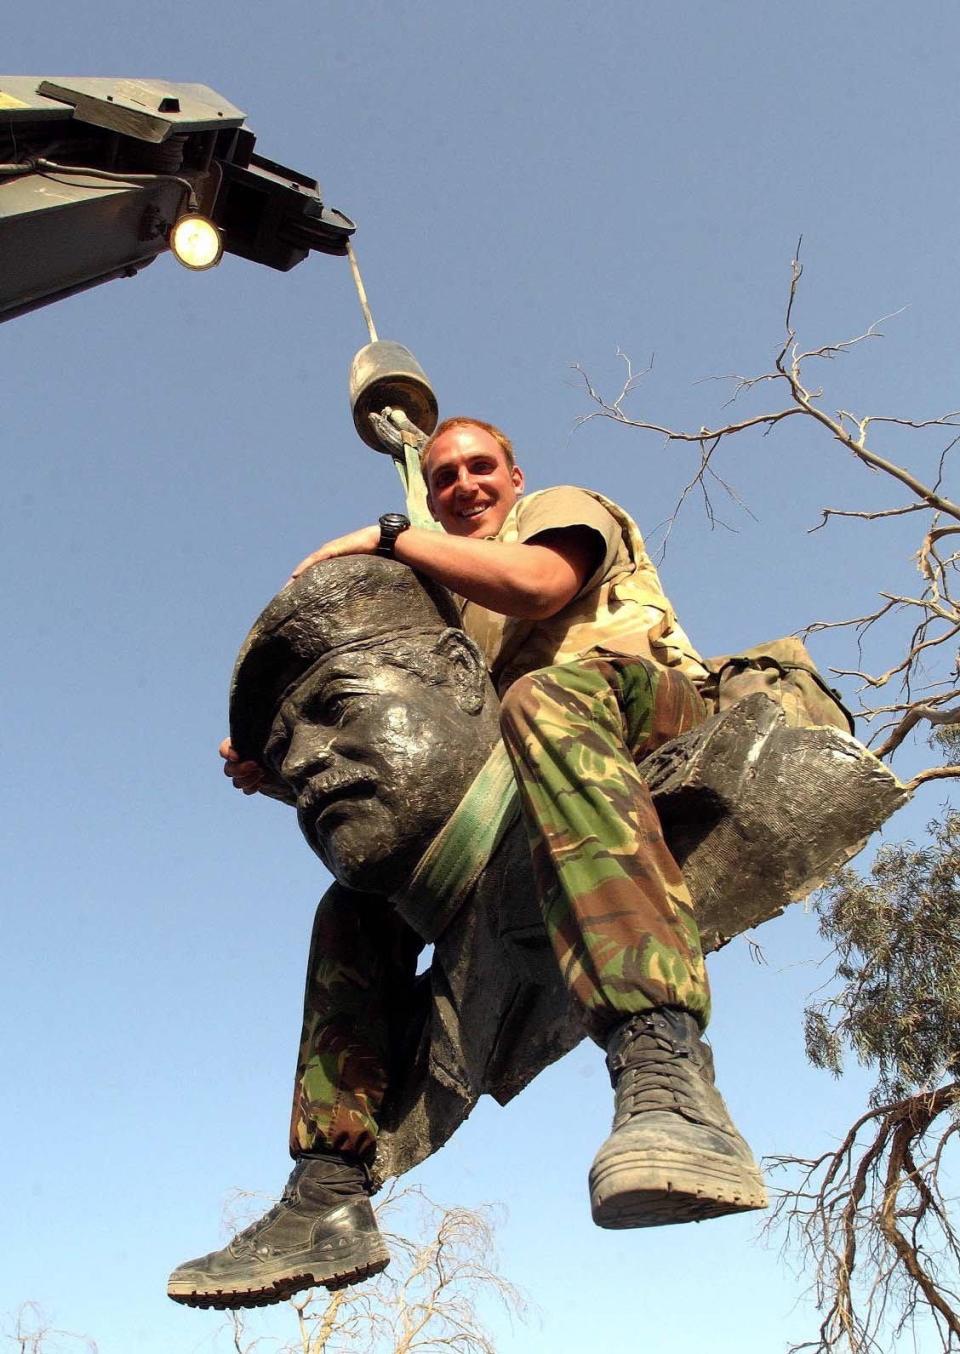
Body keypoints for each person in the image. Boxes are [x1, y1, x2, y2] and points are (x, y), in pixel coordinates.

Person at [184, 417, 764, 1305]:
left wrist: (386, 533)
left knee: (543, 697)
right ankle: (327, 1194)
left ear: (514, 471)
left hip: (648, 708)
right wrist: (285, 771)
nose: (461, 485)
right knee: (352, 906)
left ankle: (667, 1076)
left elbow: (538, 588)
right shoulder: (446, 604)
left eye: (477, 467)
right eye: (444, 475)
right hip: (530, 766)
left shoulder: (559, 513)